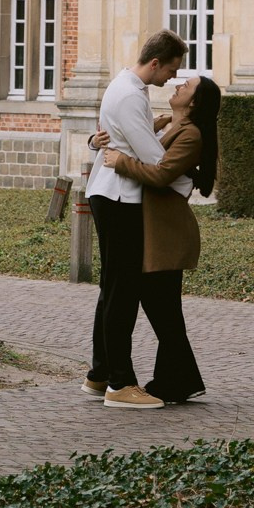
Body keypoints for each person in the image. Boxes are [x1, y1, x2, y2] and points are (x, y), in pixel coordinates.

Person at [83, 28, 186, 407]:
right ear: (155, 62)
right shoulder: (128, 94)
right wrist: (184, 180)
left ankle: (100, 374)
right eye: (171, 70)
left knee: (112, 288)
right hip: (119, 197)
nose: (172, 78)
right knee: (122, 291)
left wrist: (150, 128)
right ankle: (120, 384)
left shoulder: (128, 86)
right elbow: (152, 158)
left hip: (111, 193)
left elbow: (126, 139)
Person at [104, 70, 218, 406]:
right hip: (160, 229)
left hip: (168, 232)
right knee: (164, 312)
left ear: (195, 102)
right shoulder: (176, 127)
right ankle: (178, 381)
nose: (178, 84)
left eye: (187, 86)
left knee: (163, 311)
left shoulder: (192, 134)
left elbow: (162, 173)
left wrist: (122, 162)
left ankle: (175, 381)